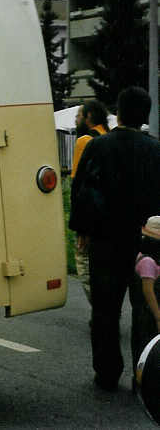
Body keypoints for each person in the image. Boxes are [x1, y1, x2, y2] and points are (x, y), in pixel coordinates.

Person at [70, 86, 160, 391]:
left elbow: (82, 191)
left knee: (105, 310)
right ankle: (144, 373)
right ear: (145, 116)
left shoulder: (98, 146)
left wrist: (82, 230)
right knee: (145, 310)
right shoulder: (156, 150)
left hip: (106, 240)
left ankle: (107, 372)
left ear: (117, 113)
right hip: (146, 242)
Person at [71, 100, 110, 304]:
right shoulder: (110, 137)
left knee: (84, 264)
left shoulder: (84, 141)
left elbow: (78, 186)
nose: (76, 120)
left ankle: (99, 309)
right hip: (112, 216)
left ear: (88, 117)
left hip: (89, 217)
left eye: (79, 115)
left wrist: (80, 227)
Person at [130, 216, 160, 386]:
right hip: (147, 313)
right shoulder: (148, 261)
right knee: (146, 346)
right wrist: (158, 316)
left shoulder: (146, 257)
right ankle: (143, 382)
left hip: (145, 311)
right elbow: (148, 292)